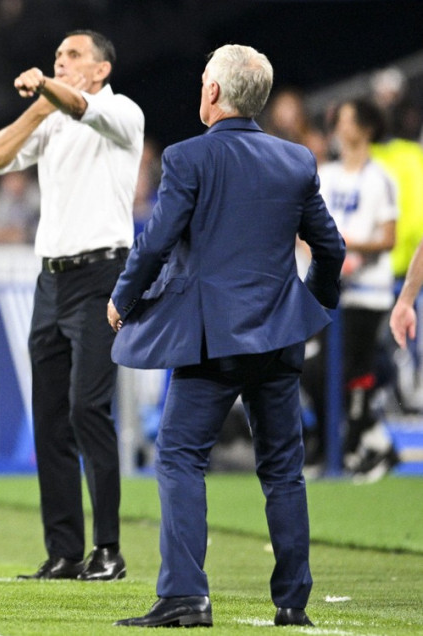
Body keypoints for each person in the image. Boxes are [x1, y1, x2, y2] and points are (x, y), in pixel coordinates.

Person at [108, 44, 344, 628]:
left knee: (181, 459)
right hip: (279, 337)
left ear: (214, 93)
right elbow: (331, 248)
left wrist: (121, 300)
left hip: (212, 339)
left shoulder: (188, 158)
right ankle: (293, 603)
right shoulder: (296, 160)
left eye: (204, 82)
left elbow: (156, 242)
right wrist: (309, 304)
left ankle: (186, 593)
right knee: (284, 470)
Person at [0, 29, 144, 581]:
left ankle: (110, 549)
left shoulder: (122, 112)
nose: (61, 63)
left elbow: (79, 105)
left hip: (101, 275)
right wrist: (40, 105)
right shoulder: (52, 117)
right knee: (49, 416)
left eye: (73, 56)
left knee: (87, 409)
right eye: (56, 56)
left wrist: (49, 87)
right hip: (50, 280)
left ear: (100, 70)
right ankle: (65, 552)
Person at [300, 98, 400, 480]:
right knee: (314, 371)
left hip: (366, 291)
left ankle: (352, 444)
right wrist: (324, 252)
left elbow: (388, 238)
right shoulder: (326, 174)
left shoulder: (381, 178)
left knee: (349, 369)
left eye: (344, 120)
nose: (338, 127)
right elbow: (304, 227)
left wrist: (349, 248)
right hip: (330, 291)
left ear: (365, 128)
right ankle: (362, 441)